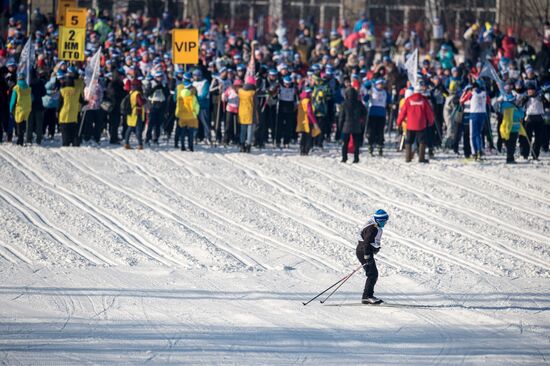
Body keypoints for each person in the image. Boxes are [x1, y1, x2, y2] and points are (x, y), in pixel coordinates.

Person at [356, 209, 389, 304]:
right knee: (372, 274)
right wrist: (367, 256)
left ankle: (367, 296)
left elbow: (370, 242)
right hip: (364, 252)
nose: (384, 223)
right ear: (377, 220)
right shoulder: (372, 228)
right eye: (381, 221)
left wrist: (375, 249)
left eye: (385, 221)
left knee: (372, 274)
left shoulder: (374, 226)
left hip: (364, 251)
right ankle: (367, 296)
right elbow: (366, 243)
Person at [397, 84, 435, 163]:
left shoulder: (408, 100)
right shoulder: (424, 100)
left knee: (409, 140)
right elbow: (429, 112)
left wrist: (399, 122)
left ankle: (407, 158)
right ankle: (421, 158)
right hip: (421, 124)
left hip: (410, 124)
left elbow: (403, 112)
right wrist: (431, 121)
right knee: (422, 141)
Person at [339, 87, 366, 163]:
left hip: (346, 125)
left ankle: (344, 157)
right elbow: (364, 112)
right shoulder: (359, 103)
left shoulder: (344, 104)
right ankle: (356, 158)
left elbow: (341, 116)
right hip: (356, 125)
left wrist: (340, 127)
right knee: (356, 143)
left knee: (345, 143)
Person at [175, 80, 200, 151]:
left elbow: (178, 107)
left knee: (182, 132)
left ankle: (182, 146)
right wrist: (196, 114)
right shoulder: (193, 97)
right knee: (190, 132)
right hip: (191, 116)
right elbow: (196, 106)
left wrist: (177, 114)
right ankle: (191, 147)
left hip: (182, 117)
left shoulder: (180, 97)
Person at [58, 76, 82, 147]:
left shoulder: (62, 91)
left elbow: (60, 103)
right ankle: (75, 143)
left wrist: (57, 111)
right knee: (74, 131)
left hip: (64, 114)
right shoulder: (77, 91)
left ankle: (66, 143)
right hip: (74, 114)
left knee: (65, 132)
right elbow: (81, 101)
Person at [9, 73, 32, 146]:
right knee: (23, 124)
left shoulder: (16, 88)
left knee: (18, 124)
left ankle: (20, 140)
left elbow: (13, 100)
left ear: (18, 79)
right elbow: (32, 97)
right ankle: (22, 139)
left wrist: (11, 109)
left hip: (19, 109)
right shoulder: (28, 88)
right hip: (27, 109)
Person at [296, 88, 319, 155]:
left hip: (302, 120)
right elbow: (309, 112)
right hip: (308, 121)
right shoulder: (308, 101)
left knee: (303, 136)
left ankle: (302, 149)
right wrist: (314, 122)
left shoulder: (302, 100)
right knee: (308, 136)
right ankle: (306, 150)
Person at [124, 79, 145, 150]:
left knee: (129, 128)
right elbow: (141, 103)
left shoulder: (131, 92)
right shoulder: (137, 94)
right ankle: (140, 144)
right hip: (137, 113)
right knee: (138, 129)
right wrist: (144, 100)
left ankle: (126, 143)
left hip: (130, 113)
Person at [238, 78, 256, 153]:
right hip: (250, 113)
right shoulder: (253, 93)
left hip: (242, 113)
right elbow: (256, 103)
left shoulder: (240, 91)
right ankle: (248, 146)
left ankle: (242, 145)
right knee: (250, 131)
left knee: (243, 130)